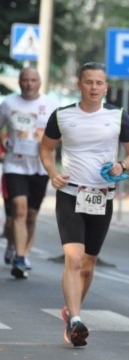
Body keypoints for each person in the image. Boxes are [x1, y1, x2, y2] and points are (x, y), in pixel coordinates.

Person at [39, 61, 129, 347]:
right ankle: (75, 319)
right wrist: (53, 172)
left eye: (99, 83)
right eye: (89, 82)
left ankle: (71, 311)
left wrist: (122, 165)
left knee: (88, 264)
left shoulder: (118, 116)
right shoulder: (62, 115)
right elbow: (46, 148)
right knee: (73, 258)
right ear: (79, 84)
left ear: (106, 86)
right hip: (71, 193)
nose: (94, 87)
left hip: (102, 197)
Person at [0, 68, 58, 279]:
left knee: (31, 215)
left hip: (40, 166)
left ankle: (22, 251)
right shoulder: (8, 104)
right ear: (19, 82)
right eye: (25, 80)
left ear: (40, 82)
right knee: (19, 209)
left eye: (33, 80)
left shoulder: (52, 105)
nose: (29, 84)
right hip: (14, 164)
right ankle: (20, 257)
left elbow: (61, 133)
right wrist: (3, 142)